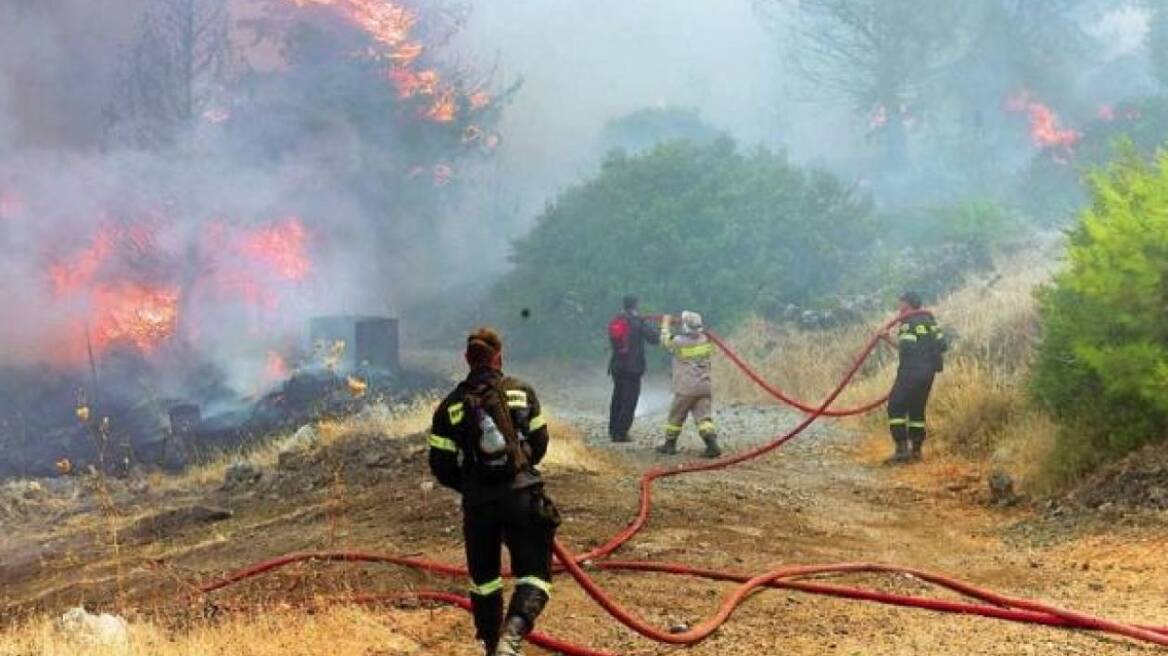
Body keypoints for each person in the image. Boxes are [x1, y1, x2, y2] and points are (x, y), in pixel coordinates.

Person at [428, 328, 561, 656]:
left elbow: (441, 465)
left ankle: (491, 646)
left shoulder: (450, 407)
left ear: (466, 360)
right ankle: (512, 637)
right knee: (535, 574)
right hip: (522, 496)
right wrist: (518, 467)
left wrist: (472, 485)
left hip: (479, 506)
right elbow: (540, 443)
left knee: (484, 580)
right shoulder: (521, 392)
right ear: (498, 356)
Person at [886, 292, 947, 464]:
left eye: (901, 305)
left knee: (895, 407)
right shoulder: (930, 321)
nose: (899, 310)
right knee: (916, 410)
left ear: (908, 304)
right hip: (928, 374)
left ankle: (901, 450)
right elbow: (943, 345)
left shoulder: (907, 323)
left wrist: (886, 338)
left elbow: (905, 348)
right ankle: (916, 452)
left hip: (910, 372)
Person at [657, 311, 721, 458]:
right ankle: (712, 445)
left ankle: (669, 445)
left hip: (686, 387)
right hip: (704, 386)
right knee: (704, 418)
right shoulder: (706, 340)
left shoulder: (679, 341)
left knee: (676, 416)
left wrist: (666, 323)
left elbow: (664, 340)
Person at [607, 294, 660, 442]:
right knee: (629, 400)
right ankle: (621, 433)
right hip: (632, 368)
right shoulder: (638, 321)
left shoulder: (617, 319)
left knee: (617, 397)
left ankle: (612, 430)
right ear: (636, 305)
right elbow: (654, 339)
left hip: (617, 366)